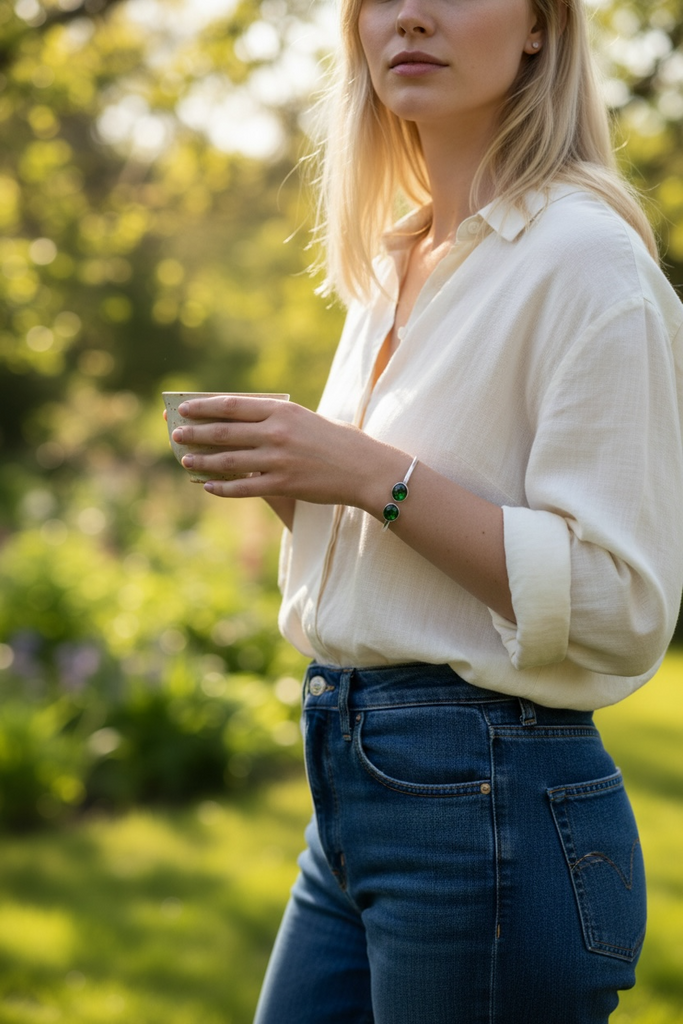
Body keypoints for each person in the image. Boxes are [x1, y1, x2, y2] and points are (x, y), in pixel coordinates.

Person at [170, 0, 683, 1020]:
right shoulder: (392, 263)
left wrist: (370, 472)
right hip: (350, 794)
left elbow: (620, 604)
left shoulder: (587, 262)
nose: (409, 15)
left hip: (489, 805)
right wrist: (295, 477)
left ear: (539, 26)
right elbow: (411, 562)